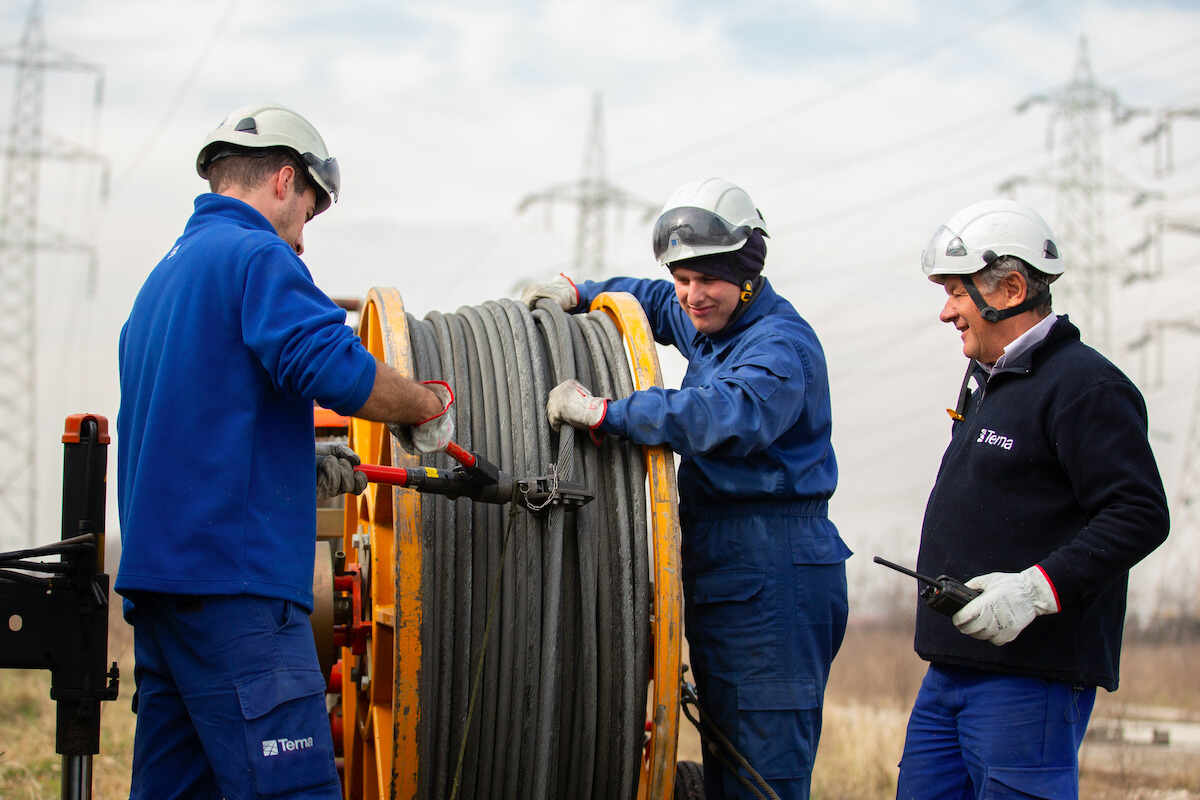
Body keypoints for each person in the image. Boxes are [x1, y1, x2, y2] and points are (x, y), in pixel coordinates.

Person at [116, 103, 454, 800]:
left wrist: (299, 468)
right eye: (308, 209)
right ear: (281, 180)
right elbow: (331, 366)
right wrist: (425, 408)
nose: (303, 235)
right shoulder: (256, 256)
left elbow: (199, 430)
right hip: (237, 598)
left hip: (162, 594)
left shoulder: (161, 284)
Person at [524, 177, 851, 800]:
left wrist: (607, 414)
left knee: (764, 774)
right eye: (683, 277)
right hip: (729, 567)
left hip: (776, 573)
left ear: (748, 273)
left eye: (708, 279)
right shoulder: (713, 319)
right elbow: (652, 301)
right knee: (729, 757)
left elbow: (716, 414)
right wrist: (584, 291)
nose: (693, 295)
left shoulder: (778, 348)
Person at [898, 198, 1170, 799]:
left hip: (1029, 680)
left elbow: (1140, 512)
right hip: (951, 670)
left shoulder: (1084, 387)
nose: (946, 312)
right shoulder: (988, 380)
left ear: (1012, 286)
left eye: (956, 292)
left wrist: (1035, 590)